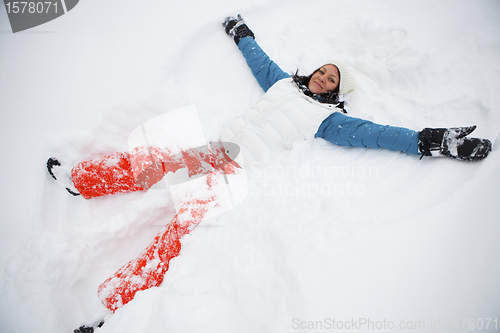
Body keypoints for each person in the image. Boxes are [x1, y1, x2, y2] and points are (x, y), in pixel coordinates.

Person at [51, 15, 492, 331]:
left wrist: (431, 141)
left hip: (233, 174)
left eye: (331, 78)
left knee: (174, 239)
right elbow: (259, 60)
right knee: (149, 165)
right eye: (321, 70)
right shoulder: (282, 83)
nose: (322, 77)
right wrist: (242, 32)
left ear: (339, 92)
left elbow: (377, 134)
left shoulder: (330, 121)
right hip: (215, 151)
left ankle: (112, 308)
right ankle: (81, 179)